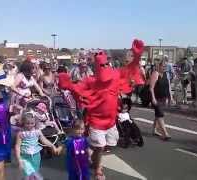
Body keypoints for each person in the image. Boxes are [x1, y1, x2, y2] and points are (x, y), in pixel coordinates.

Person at [58, 39, 144, 180]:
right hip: (96, 121)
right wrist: (67, 84)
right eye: (101, 64)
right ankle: (98, 169)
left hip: (110, 121)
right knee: (100, 147)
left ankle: (88, 153)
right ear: (96, 67)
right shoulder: (90, 80)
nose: (104, 66)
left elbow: (131, 68)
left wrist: (137, 55)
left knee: (106, 145)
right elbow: (77, 87)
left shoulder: (116, 75)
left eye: (106, 63)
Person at [15, 111, 57, 180]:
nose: (30, 125)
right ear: (23, 123)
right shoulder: (21, 133)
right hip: (25, 156)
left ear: (35, 123)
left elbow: (44, 140)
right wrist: (19, 159)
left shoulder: (37, 131)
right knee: (28, 173)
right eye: (27, 123)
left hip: (36, 155)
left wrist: (52, 146)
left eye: (32, 123)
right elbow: (17, 146)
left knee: (34, 171)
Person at [149, 60, 172, 140]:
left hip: (163, 97)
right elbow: (151, 88)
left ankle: (154, 130)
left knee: (157, 114)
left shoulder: (166, 74)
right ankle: (165, 133)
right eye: (163, 66)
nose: (165, 68)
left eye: (166, 66)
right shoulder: (155, 73)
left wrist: (170, 98)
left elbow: (168, 87)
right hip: (156, 98)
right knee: (160, 114)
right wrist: (153, 98)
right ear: (159, 66)